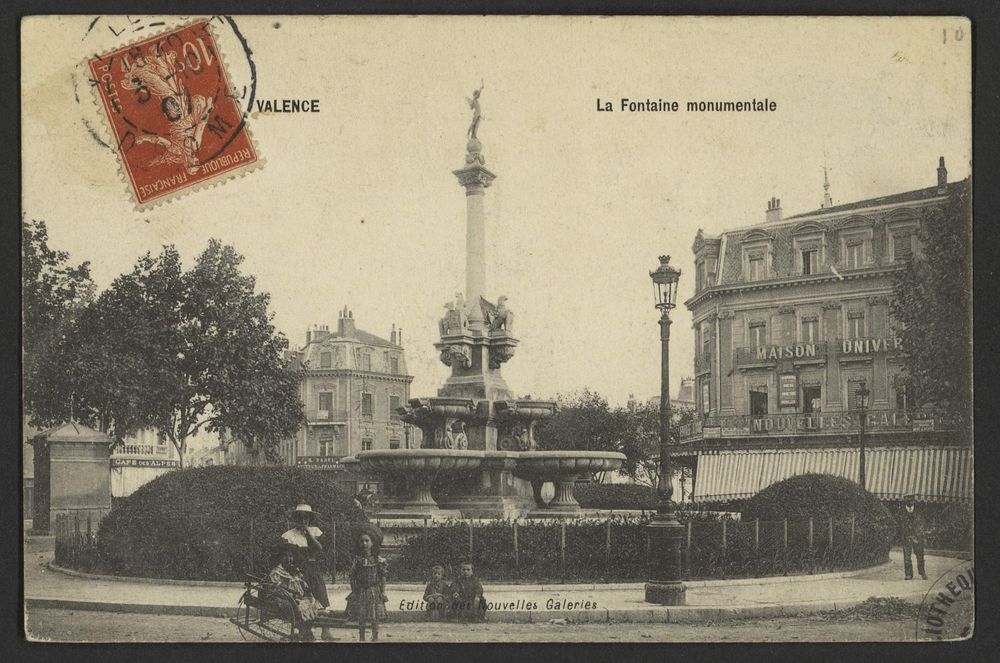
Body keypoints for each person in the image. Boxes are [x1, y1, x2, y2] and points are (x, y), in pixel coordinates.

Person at [281, 504, 335, 640]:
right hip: (299, 572)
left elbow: (320, 548)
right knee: (303, 600)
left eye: (306, 518)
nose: (303, 521)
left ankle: (325, 631)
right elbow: (289, 555)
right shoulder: (289, 535)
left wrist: (309, 534)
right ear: (295, 519)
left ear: (310, 519)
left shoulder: (316, 531)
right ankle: (305, 631)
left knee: (321, 599)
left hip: (314, 571)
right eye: (300, 518)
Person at [267, 543, 320, 641]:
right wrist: (293, 594)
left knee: (311, 602)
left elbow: (301, 582)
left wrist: (302, 582)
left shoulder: (292, 569)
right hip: (282, 598)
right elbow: (278, 588)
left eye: (290, 556)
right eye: (285, 556)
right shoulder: (277, 572)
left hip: (294, 597)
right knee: (300, 608)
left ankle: (306, 632)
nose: (289, 559)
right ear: (280, 558)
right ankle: (304, 632)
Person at [346, 525, 388, 642]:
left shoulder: (377, 560)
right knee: (362, 615)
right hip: (361, 591)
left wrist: (383, 591)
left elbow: (382, 576)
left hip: (374, 591)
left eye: (367, 541)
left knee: (374, 616)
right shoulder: (358, 560)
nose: (364, 544)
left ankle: (375, 637)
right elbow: (352, 577)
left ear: (372, 543)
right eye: (362, 541)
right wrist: (354, 591)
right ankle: (361, 637)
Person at [899, 494, 928, 580]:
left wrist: (920, 534)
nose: (911, 502)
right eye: (909, 501)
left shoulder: (919, 510)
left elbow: (922, 522)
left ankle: (922, 572)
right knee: (907, 557)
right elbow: (900, 524)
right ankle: (908, 574)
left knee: (920, 555)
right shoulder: (901, 511)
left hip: (917, 536)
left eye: (912, 500)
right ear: (905, 502)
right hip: (907, 537)